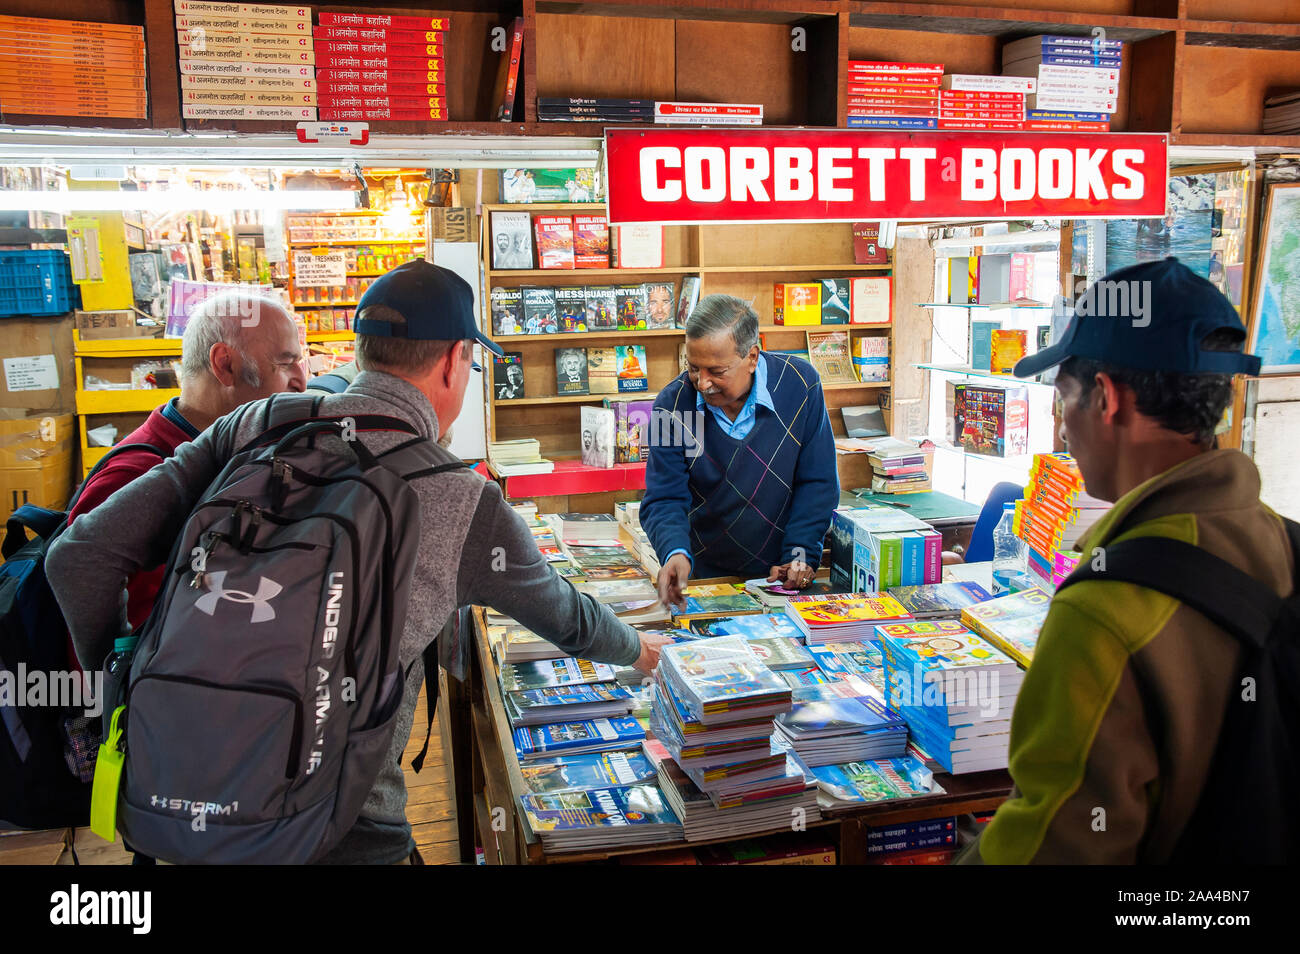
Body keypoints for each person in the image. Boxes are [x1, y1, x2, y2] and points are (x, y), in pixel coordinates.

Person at [47, 260, 671, 865]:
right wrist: (640, 650)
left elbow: (77, 557)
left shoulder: (256, 423)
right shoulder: (463, 499)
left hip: (181, 788)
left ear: (363, 351)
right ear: (455, 361)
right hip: (340, 825)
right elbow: (567, 617)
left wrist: (122, 681)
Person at [957, 257, 1284, 865]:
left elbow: (1058, 847)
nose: (1061, 425)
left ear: (1105, 396)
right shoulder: (1286, 544)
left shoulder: (1106, 608)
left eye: (1062, 398)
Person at [68, 290, 307, 637]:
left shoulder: (231, 451)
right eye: (285, 364)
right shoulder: (136, 474)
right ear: (225, 364)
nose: (302, 381)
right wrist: (114, 679)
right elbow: (86, 588)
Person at [641, 294, 839, 608]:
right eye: (693, 368)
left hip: (779, 576)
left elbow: (817, 485)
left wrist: (799, 555)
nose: (703, 383)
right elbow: (665, 497)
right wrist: (674, 552)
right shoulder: (673, 405)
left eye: (716, 372)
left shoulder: (800, 386)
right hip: (703, 577)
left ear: (751, 357)